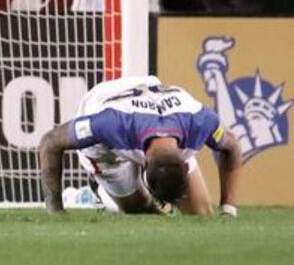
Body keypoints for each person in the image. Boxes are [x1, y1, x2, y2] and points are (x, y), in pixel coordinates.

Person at [38, 75, 242, 216]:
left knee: (201, 213)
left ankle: (148, 199)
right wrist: (56, 210)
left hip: (152, 98)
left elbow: (232, 148)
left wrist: (228, 209)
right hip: (106, 133)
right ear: (143, 167)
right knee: (139, 209)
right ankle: (92, 194)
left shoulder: (200, 121)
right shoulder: (108, 124)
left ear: (185, 160)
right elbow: (50, 142)